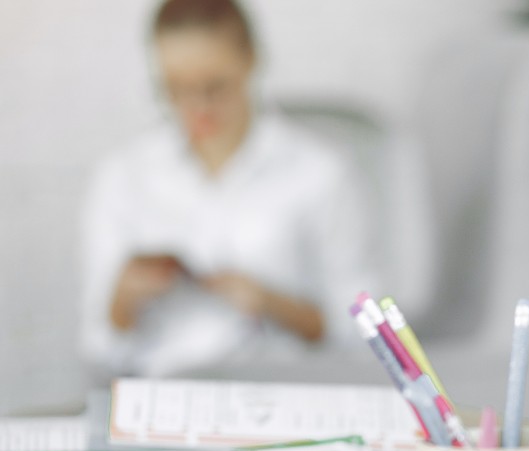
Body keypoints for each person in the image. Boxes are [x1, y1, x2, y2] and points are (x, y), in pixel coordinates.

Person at [80, 0, 374, 378]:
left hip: (283, 385)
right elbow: (96, 346)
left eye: (214, 87)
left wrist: (272, 303)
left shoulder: (319, 172)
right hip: (163, 389)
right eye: (176, 89)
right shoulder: (123, 177)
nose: (197, 107)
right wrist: (121, 304)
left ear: (250, 60)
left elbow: (366, 331)